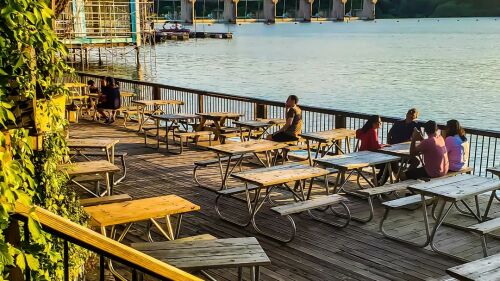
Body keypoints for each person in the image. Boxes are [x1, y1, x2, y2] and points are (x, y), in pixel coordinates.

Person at [355, 115, 388, 184]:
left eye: (380, 122)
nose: (380, 124)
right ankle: (378, 181)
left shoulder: (365, 130)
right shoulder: (372, 131)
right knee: (389, 163)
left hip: (361, 155)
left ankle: (378, 179)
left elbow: (358, 132)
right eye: (378, 122)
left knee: (389, 162)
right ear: (373, 123)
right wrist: (384, 145)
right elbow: (376, 146)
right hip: (368, 157)